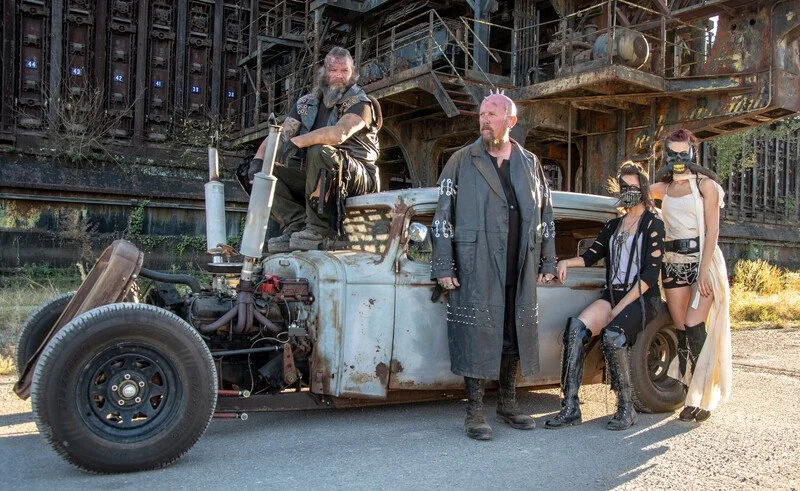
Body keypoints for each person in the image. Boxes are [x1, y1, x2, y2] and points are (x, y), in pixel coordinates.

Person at [430, 91, 557, 441]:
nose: (484, 120)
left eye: (492, 114)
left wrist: (548, 258)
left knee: (512, 333)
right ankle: (474, 412)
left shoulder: (529, 163)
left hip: (520, 261)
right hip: (477, 263)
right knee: (477, 334)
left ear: (510, 121)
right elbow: (442, 217)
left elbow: (546, 213)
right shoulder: (461, 159)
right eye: (482, 114)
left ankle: (508, 403)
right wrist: (444, 264)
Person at [545, 161, 664, 431]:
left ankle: (626, 407)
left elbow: (648, 275)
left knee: (612, 335)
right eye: (624, 187)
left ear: (643, 189)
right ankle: (571, 407)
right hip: (613, 294)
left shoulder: (653, 224)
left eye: (634, 187)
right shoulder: (613, 226)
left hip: (642, 298)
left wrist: (621, 306)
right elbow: (590, 256)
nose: (628, 191)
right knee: (575, 329)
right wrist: (565, 263)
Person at [248, 47, 381, 252]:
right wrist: (259, 161)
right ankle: (296, 224)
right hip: (322, 173)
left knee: (320, 149)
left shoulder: (361, 103)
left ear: (352, 72)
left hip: (358, 175)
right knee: (266, 170)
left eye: (344, 71)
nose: (338, 76)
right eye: (333, 70)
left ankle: (319, 228)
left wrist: (297, 142)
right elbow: (281, 134)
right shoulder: (306, 103)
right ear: (323, 72)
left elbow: (340, 133)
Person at [650, 128, 732, 423]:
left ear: (692, 153)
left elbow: (713, 230)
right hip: (672, 263)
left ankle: (705, 398)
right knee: (682, 328)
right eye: (673, 153)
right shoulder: (663, 189)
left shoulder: (706, 186)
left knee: (696, 326)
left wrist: (703, 272)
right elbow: (632, 195)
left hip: (702, 261)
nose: (679, 158)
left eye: (684, 153)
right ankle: (689, 395)